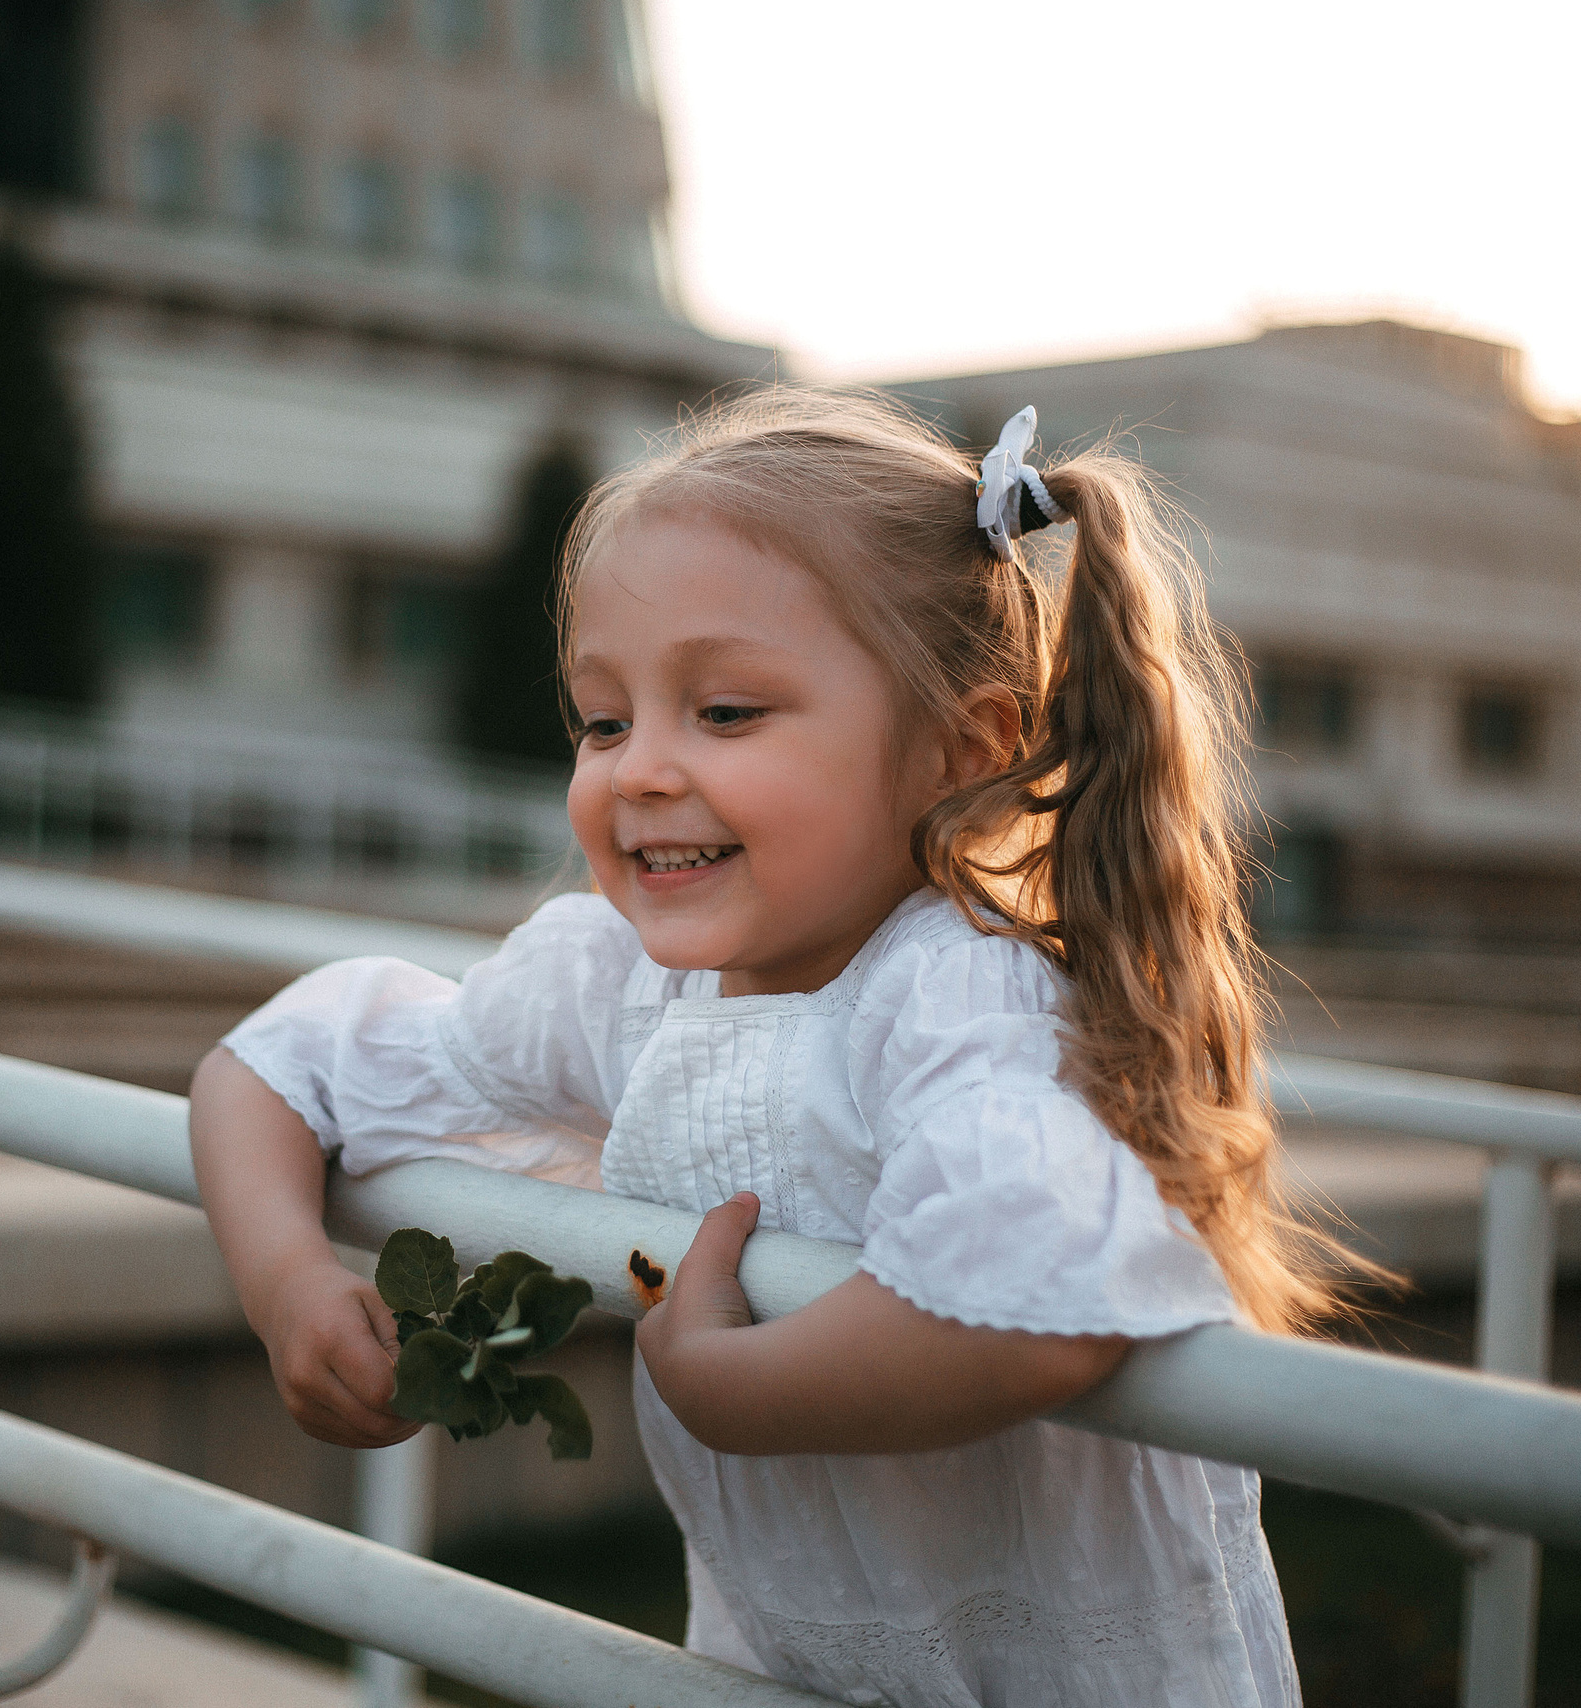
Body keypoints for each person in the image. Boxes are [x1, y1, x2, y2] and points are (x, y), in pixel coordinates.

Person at [188, 389, 1350, 1707]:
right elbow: (286, 1061)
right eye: (605, 719)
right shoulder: (614, 983)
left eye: (726, 712)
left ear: (961, 751)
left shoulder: (964, 998)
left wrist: (741, 1388)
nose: (637, 772)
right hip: (787, 1664)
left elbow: (1035, 1301)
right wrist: (287, 1279)